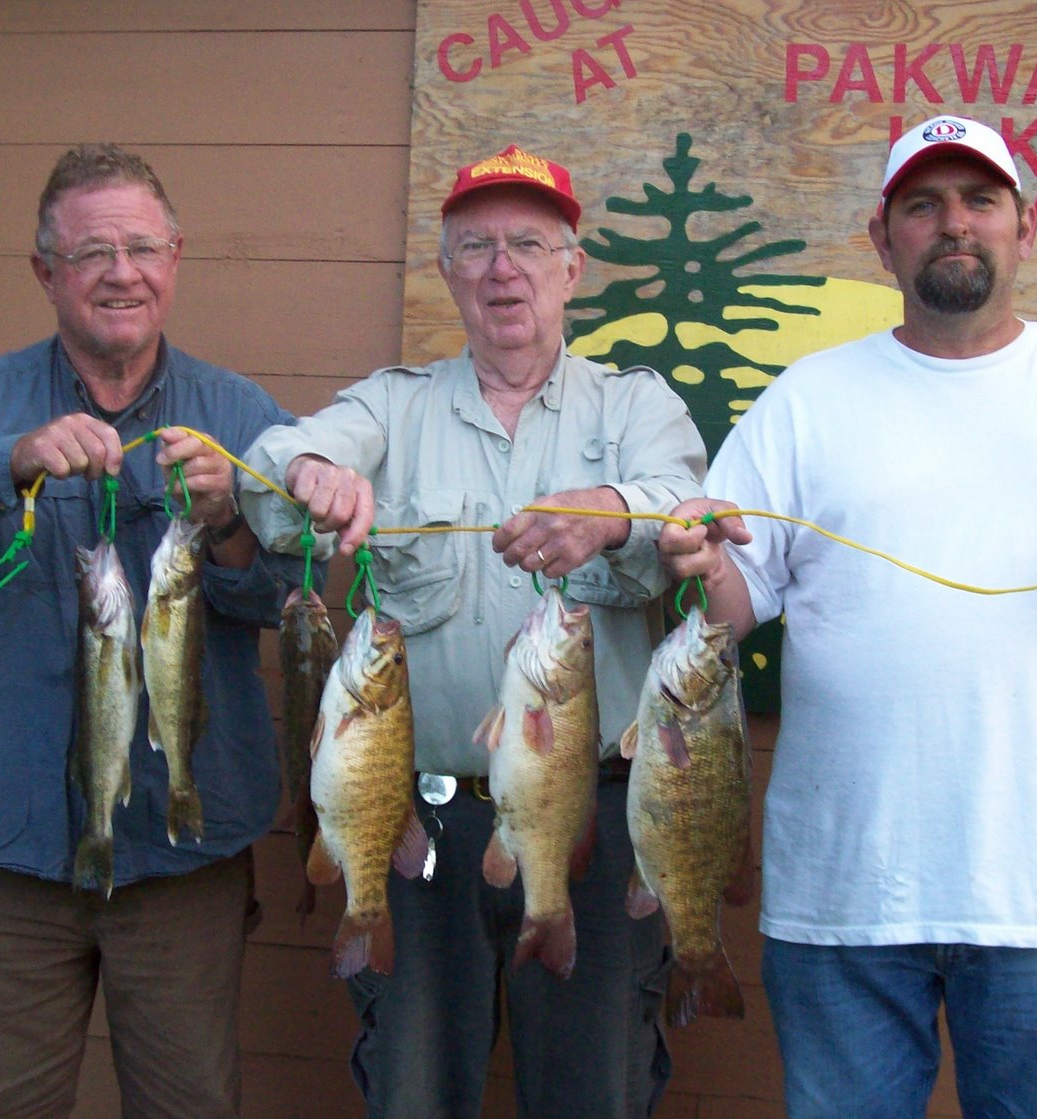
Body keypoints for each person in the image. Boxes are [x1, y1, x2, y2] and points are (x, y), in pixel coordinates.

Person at [658, 114, 1037, 1119]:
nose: (955, 224)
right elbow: (730, 608)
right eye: (923, 205)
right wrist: (697, 560)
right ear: (881, 235)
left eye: (981, 200)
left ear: (1025, 227)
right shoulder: (808, 398)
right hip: (844, 902)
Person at [240, 144, 706, 1118]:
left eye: (529, 244)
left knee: (592, 1096)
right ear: (446, 270)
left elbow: (685, 505)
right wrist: (312, 473)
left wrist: (613, 510)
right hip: (418, 827)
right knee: (413, 1096)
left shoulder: (634, 405)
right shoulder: (392, 406)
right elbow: (272, 474)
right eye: (477, 246)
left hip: (592, 821)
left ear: (572, 268)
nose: (503, 268)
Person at [0, 143, 309, 1118]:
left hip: (183, 852)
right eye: (92, 251)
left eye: (141, 247)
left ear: (175, 258)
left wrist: (228, 519)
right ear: (44, 271)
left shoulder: (240, 415)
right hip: (7, 849)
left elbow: (288, 597)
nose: (120, 272)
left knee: (189, 1103)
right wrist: (5, 462)